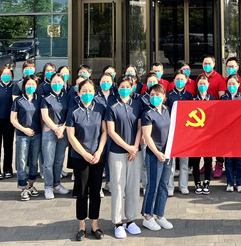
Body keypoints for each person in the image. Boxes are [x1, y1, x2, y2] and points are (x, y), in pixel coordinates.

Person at [66, 78, 107, 241]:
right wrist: (84, 154)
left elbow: (104, 131)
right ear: (79, 92)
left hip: (97, 156)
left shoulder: (100, 108)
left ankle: (95, 224)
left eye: (90, 91)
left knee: (96, 191)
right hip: (80, 157)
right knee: (82, 192)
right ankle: (82, 225)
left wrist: (99, 151)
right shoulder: (73, 111)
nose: (87, 93)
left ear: (94, 92)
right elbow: (71, 136)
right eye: (84, 91)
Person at [105, 77, 144, 239]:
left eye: (128, 86)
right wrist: (128, 147)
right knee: (118, 187)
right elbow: (111, 131)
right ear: (117, 88)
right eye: (122, 86)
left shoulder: (137, 104)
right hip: (117, 152)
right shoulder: (112, 106)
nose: (125, 89)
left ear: (133, 87)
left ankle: (131, 220)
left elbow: (140, 128)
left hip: (135, 152)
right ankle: (118, 222)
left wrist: (134, 147)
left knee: (133, 187)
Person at [140, 84, 174, 231]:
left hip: (167, 154)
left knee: (163, 185)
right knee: (152, 186)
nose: (155, 97)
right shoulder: (147, 114)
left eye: (158, 95)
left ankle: (160, 215)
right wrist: (157, 152)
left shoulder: (168, 110)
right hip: (154, 155)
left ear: (164, 97)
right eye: (152, 95)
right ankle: (147, 216)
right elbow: (147, 136)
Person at [10, 75, 42, 201]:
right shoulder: (18, 101)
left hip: (36, 135)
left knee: (34, 161)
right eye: (28, 84)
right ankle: (23, 187)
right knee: (22, 161)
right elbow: (13, 119)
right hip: (22, 135)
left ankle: (31, 185)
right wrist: (24, 129)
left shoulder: (39, 100)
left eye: (33, 84)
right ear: (24, 86)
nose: (31, 86)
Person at [41, 72, 70, 199]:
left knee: (59, 161)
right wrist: (55, 129)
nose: (57, 84)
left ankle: (57, 184)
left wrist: (62, 128)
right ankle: (48, 186)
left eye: (59, 82)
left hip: (63, 130)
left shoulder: (67, 97)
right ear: (50, 83)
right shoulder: (46, 98)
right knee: (48, 161)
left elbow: (70, 114)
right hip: (49, 130)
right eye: (54, 82)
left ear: (63, 83)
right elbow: (45, 116)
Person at [166, 68, 192, 195]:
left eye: (182, 79)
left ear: (186, 80)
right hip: (172, 131)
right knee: (171, 162)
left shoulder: (189, 96)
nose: (180, 81)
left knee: (184, 161)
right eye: (177, 79)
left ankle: (183, 185)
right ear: (174, 80)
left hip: (185, 132)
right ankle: (170, 186)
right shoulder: (168, 95)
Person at [201, 55, 226, 179]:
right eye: (205, 63)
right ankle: (208, 164)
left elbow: (222, 97)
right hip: (203, 115)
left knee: (218, 141)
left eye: (209, 63)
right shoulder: (200, 77)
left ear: (214, 64)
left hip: (216, 114)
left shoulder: (219, 79)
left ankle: (219, 164)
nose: (207, 65)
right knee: (205, 140)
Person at [220, 74, 241, 192]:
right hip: (227, 134)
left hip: (240, 134)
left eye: (234, 84)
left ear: (238, 84)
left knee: (240, 159)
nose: (231, 86)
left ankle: (240, 183)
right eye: (229, 84)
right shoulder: (223, 98)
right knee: (229, 160)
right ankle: (230, 183)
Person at [190, 74, 215, 194]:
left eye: (204, 83)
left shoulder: (213, 99)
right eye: (200, 84)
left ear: (208, 85)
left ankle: (207, 181)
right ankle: (197, 182)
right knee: (195, 160)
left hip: (209, 134)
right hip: (196, 135)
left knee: (208, 160)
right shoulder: (192, 99)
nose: (202, 85)